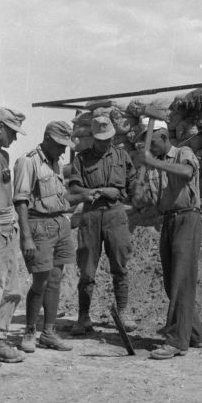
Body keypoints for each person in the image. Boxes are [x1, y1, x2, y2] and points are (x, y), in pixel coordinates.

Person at [133, 127, 202, 359]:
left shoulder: (183, 152)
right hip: (169, 220)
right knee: (171, 281)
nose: (150, 149)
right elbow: (153, 201)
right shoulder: (155, 165)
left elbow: (186, 173)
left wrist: (153, 163)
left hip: (187, 217)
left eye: (153, 143)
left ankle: (176, 341)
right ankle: (195, 334)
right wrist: (140, 188)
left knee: (181, 281)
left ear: (164, 138)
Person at [68, 114, 137, 335]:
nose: (104, 143)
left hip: (116, 215)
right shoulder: (81, 159)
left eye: (107, 138)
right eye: (100, 139)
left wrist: (123, 192)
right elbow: (74, 189)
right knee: (87, 270)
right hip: (91, 215)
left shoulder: (122, 156)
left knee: (120, 266)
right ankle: (83, 317)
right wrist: (92, 192)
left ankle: (123, 313)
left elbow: (132, 182)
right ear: (93, 138)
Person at [13, 121, 77, 353]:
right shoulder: (27, 161)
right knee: (41, 281)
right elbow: (21, 201)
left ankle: (49, 332)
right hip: (38, 225)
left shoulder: (55, 161)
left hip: (59, 223)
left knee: (56, 279)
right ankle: (30, 330)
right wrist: (27, 237)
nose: (63, 150)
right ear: (47, 139)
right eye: (60, 145)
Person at [0, 107, 27, 363]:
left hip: (6, 227)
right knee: (3, 288)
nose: (15, 138)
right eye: (11, 132)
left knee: (12, 288)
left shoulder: (2, 156)